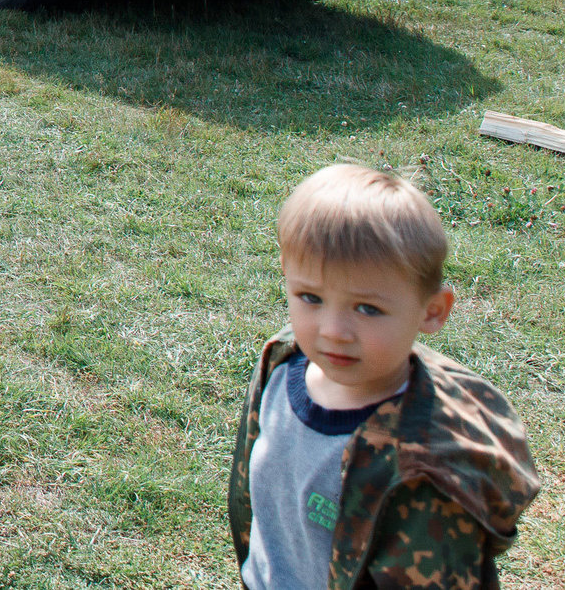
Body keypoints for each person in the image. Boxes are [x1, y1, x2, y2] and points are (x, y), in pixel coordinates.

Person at [229, 164, 537, 590]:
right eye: (310, 297)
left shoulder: (423, 470)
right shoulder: (281, 365)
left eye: (367, 308)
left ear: (432, 311)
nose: (332, 330)